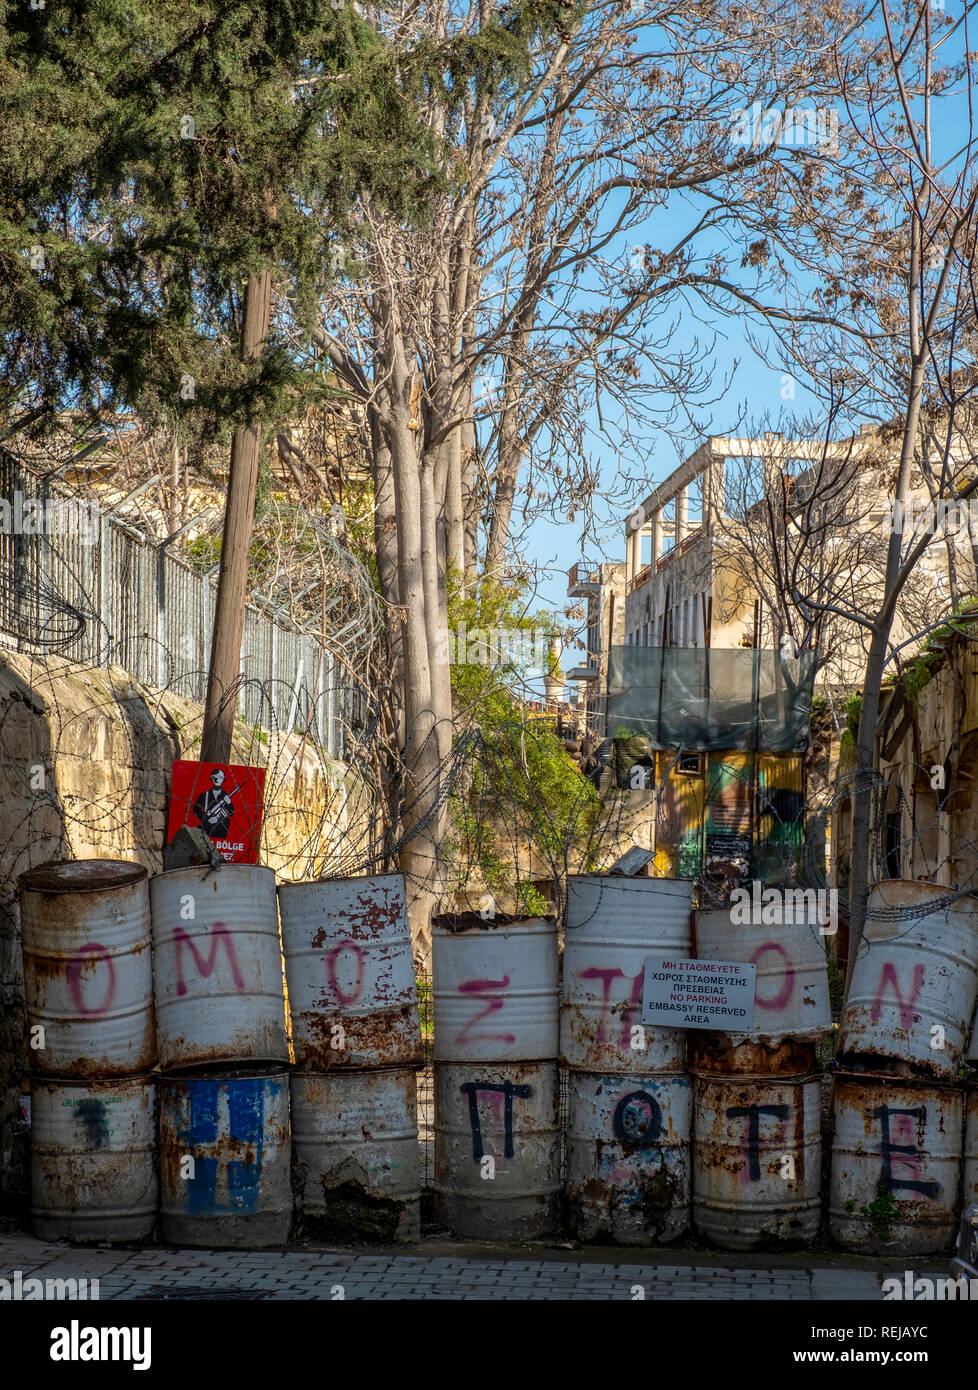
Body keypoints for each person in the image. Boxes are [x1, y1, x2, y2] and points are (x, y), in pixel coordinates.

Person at [192, 768, 235, 839]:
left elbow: (231, 813)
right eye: (215, 777)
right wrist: (206, 819)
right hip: (206, 831)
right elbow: (195, 810)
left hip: (221, 832)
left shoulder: (226, 797)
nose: (217, 779)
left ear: (223, 780)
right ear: (212, 779)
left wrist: (229, 803)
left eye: (220, 777)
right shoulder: (204, 795)